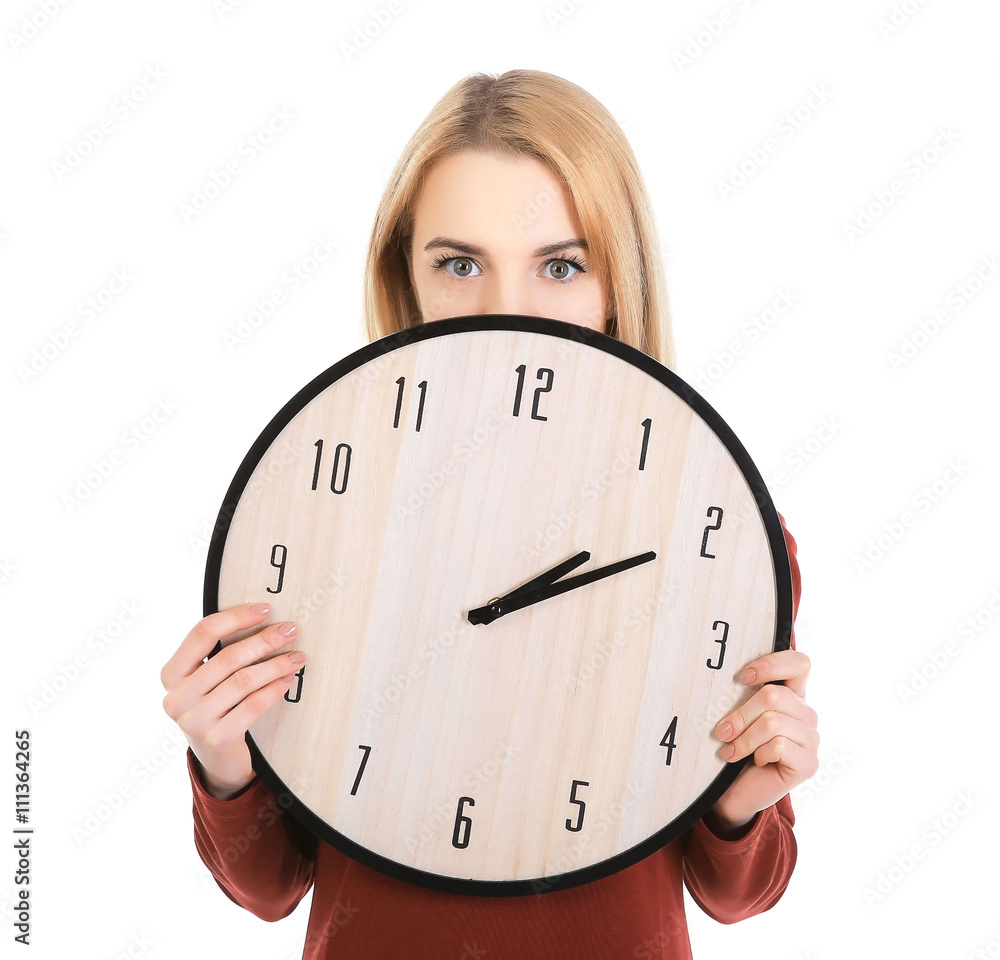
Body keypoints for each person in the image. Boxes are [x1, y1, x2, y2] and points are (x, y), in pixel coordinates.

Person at [160, 69, 819, 959]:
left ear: (617, 284)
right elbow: (271, 886)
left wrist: (748, 796)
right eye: (460, 264)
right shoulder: (312, 514)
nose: (509, 311)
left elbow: (734, 894)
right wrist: (223, 754)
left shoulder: (723, 533)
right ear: (408, 278)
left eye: (560, 264)